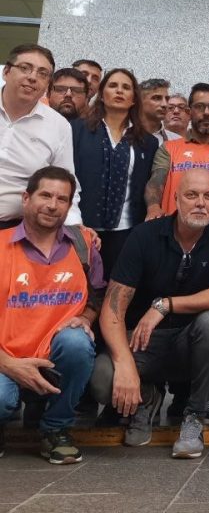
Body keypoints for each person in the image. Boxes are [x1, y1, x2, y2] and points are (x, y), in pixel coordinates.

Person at [90, 169, 209, 459]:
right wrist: (124, 364)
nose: (200, 203)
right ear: (175, 198)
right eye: (191, 195)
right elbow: (113, 308)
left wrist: (164, 305)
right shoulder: (144, 235)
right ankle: (146, 397)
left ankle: (194, 416)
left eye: (208, 196)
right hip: (143, 342)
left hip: (191, 342)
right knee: (102, 379)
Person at [0, 167, 103, 464]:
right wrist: (9, 364)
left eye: (62, 199)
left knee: (78, 342)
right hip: (6, 359)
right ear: (26, 198)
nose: (52, 205)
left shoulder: (83, 244)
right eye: (45, 195)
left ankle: (56, 430)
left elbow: (96, 295)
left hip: (54, 356)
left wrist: (85, 319)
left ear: (69, 206)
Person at [71, 69, 159, 279]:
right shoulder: (76, 130)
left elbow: (147, 184)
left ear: (133, 99)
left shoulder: (148, 142)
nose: (119, 91)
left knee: (117, 287)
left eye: (126, 87)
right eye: (113, 86)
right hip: (82, 226)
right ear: (102, 94)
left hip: (126, 231)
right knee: (80, 288)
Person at [1, 44, 81, 228]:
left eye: (42, 74)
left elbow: (65, 181)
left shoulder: (58, 125)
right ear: (6, 71)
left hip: (15, 229)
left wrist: (75, 226)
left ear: (47, 85)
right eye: (25, 68)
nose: (32, 77)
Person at [144, 83, 209, 222]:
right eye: (199, 106)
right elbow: (156, 181)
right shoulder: (168, 148)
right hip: (173, 231)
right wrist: (153, 207)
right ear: (189, 111)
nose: (206, 112)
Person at [139, 78, 180, 146]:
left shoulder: (177, 141)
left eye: (167, 99)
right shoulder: (122, 137)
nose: (164, 104)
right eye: (157, 98)